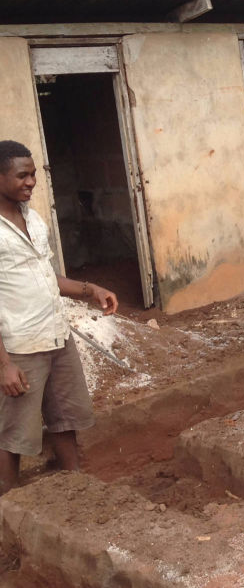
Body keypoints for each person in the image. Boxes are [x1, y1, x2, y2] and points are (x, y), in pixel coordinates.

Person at [0, 140, 118, 494]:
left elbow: (46, 275)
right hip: (20, 346)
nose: (31, 182)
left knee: (65, 418)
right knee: (12, 433)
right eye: (22, 175)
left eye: (34, 174)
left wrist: (90, 289)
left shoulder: (32, 218)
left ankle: (76, 489)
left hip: (56, 335)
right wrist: (4, 364)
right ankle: (9, 503)